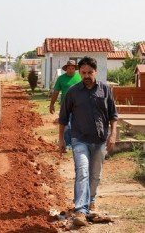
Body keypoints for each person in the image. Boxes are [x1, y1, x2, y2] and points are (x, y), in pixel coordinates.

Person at [59, 56, 118, 226]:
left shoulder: (105, 90)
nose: (86, 76)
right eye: (83, 72)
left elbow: (113, 116)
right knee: (82, 171)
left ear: (95, 72)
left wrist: (113, 134)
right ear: (79, 72)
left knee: (95, 174)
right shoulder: (72, 92)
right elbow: (63, 118)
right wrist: (61, 139)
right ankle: (80, 209)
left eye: (89, 72)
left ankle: (91, 199)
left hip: (100, 140)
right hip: (79, 140)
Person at [50, 60, 81, 149]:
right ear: (66, 69)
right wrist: (52, 104)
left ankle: (73, 143)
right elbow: (56, 92)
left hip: (78, 105)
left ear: (75, 69)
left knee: (75, 125)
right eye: (69, 68)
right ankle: (67, 143)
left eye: (73, 68)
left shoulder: (80, 77)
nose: (71, 70)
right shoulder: (61, 79)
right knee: (66, 124)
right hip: (65, 105)